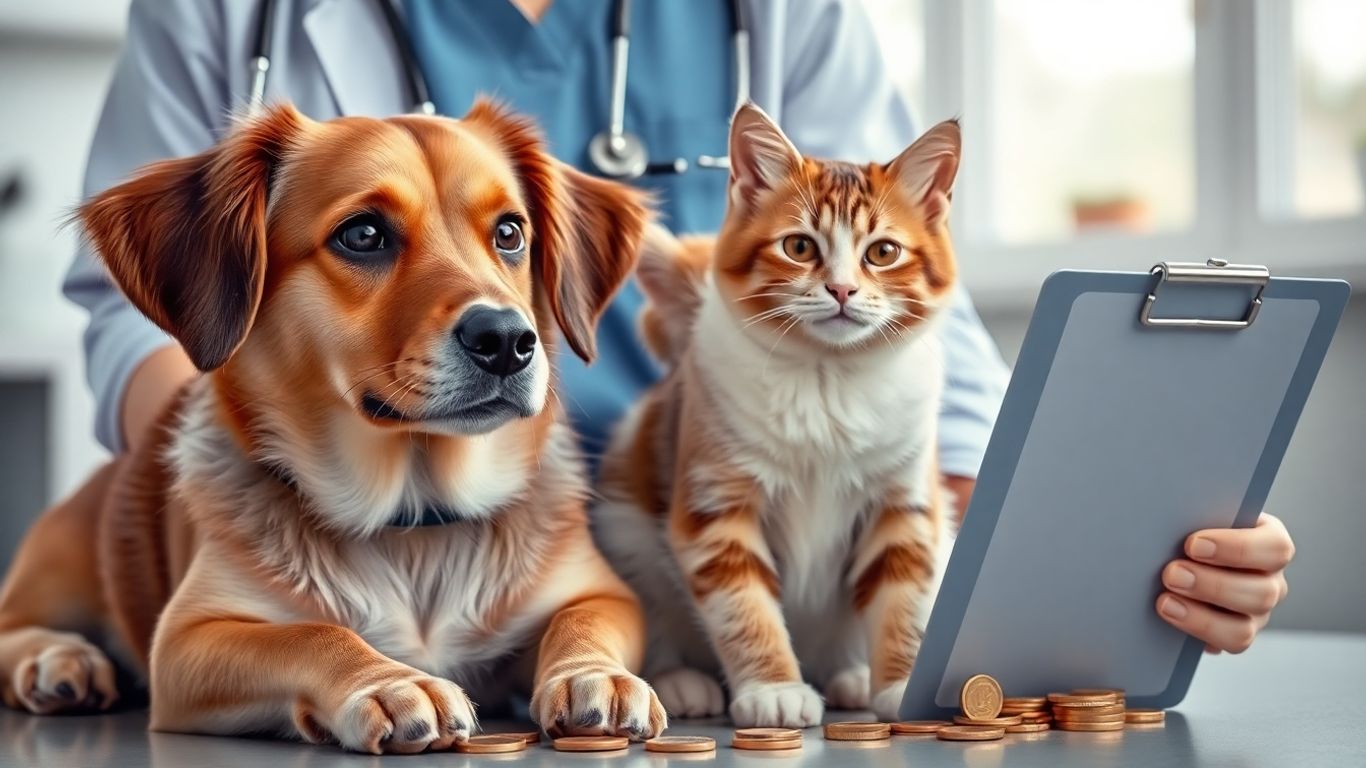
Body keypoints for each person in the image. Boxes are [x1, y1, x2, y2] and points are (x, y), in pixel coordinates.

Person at [64, 0, 1291, 657]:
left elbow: (916, 324)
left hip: (707, 588)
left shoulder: (784, 14)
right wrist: (290, 534)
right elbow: (142, 312)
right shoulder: (224, 14)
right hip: (359, 557)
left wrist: (1090, 556)